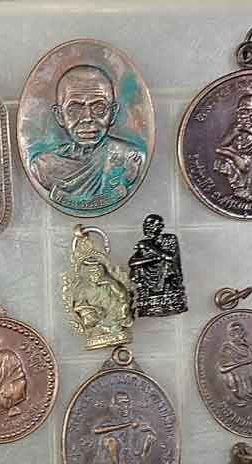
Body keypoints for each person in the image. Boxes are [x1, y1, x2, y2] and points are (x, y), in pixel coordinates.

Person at [31, 65, 145, 211]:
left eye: (99, 108)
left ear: (113, 113)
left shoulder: (129, 158)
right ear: (59, 115)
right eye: (74, 109)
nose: (87, 118)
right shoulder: (43, 165)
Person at [92, 392, 157, 464]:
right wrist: (127, 425)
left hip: (129, 451)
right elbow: (97, 430)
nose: (125, 407)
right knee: (111, 441)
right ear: (115, 406)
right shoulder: (111, 419)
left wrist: (147, 431)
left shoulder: (135, 418)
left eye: (127, 403)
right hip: (112, 454)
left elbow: (148, 429)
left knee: (148, 436)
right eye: (121, 404)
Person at [128, 214, 187, 316]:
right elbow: (132, 262)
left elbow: (170, 257)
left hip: (166, 272)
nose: (147, 228)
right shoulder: (144, 243)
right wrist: (152, 258)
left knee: (166, 264)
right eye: (145, 225)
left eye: (151, 225)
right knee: (138, 268)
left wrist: (150, 248)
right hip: (148, 273)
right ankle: (147, 299)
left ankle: (169, 298)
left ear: (160, 226)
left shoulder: (169, 239)